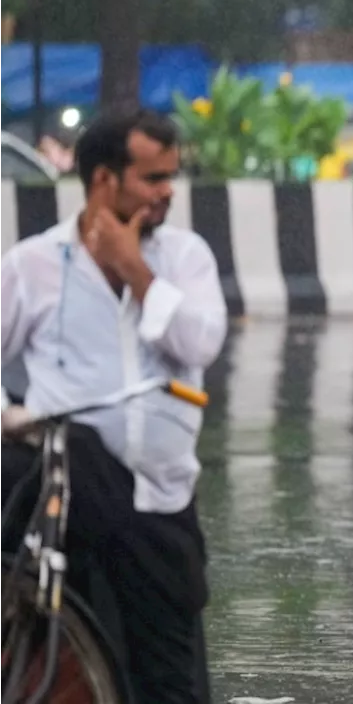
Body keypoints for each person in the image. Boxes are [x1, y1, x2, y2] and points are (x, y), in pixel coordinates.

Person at [0, 108, 227, 703]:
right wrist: (8, 412)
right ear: (104, 180)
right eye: (153, 178)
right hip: (64, 497)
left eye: (171, 177)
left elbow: (201, 342)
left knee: (169, 681)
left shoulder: (185, 257)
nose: (166, 193)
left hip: (160, 499)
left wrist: (136, 269)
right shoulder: (35, 265)